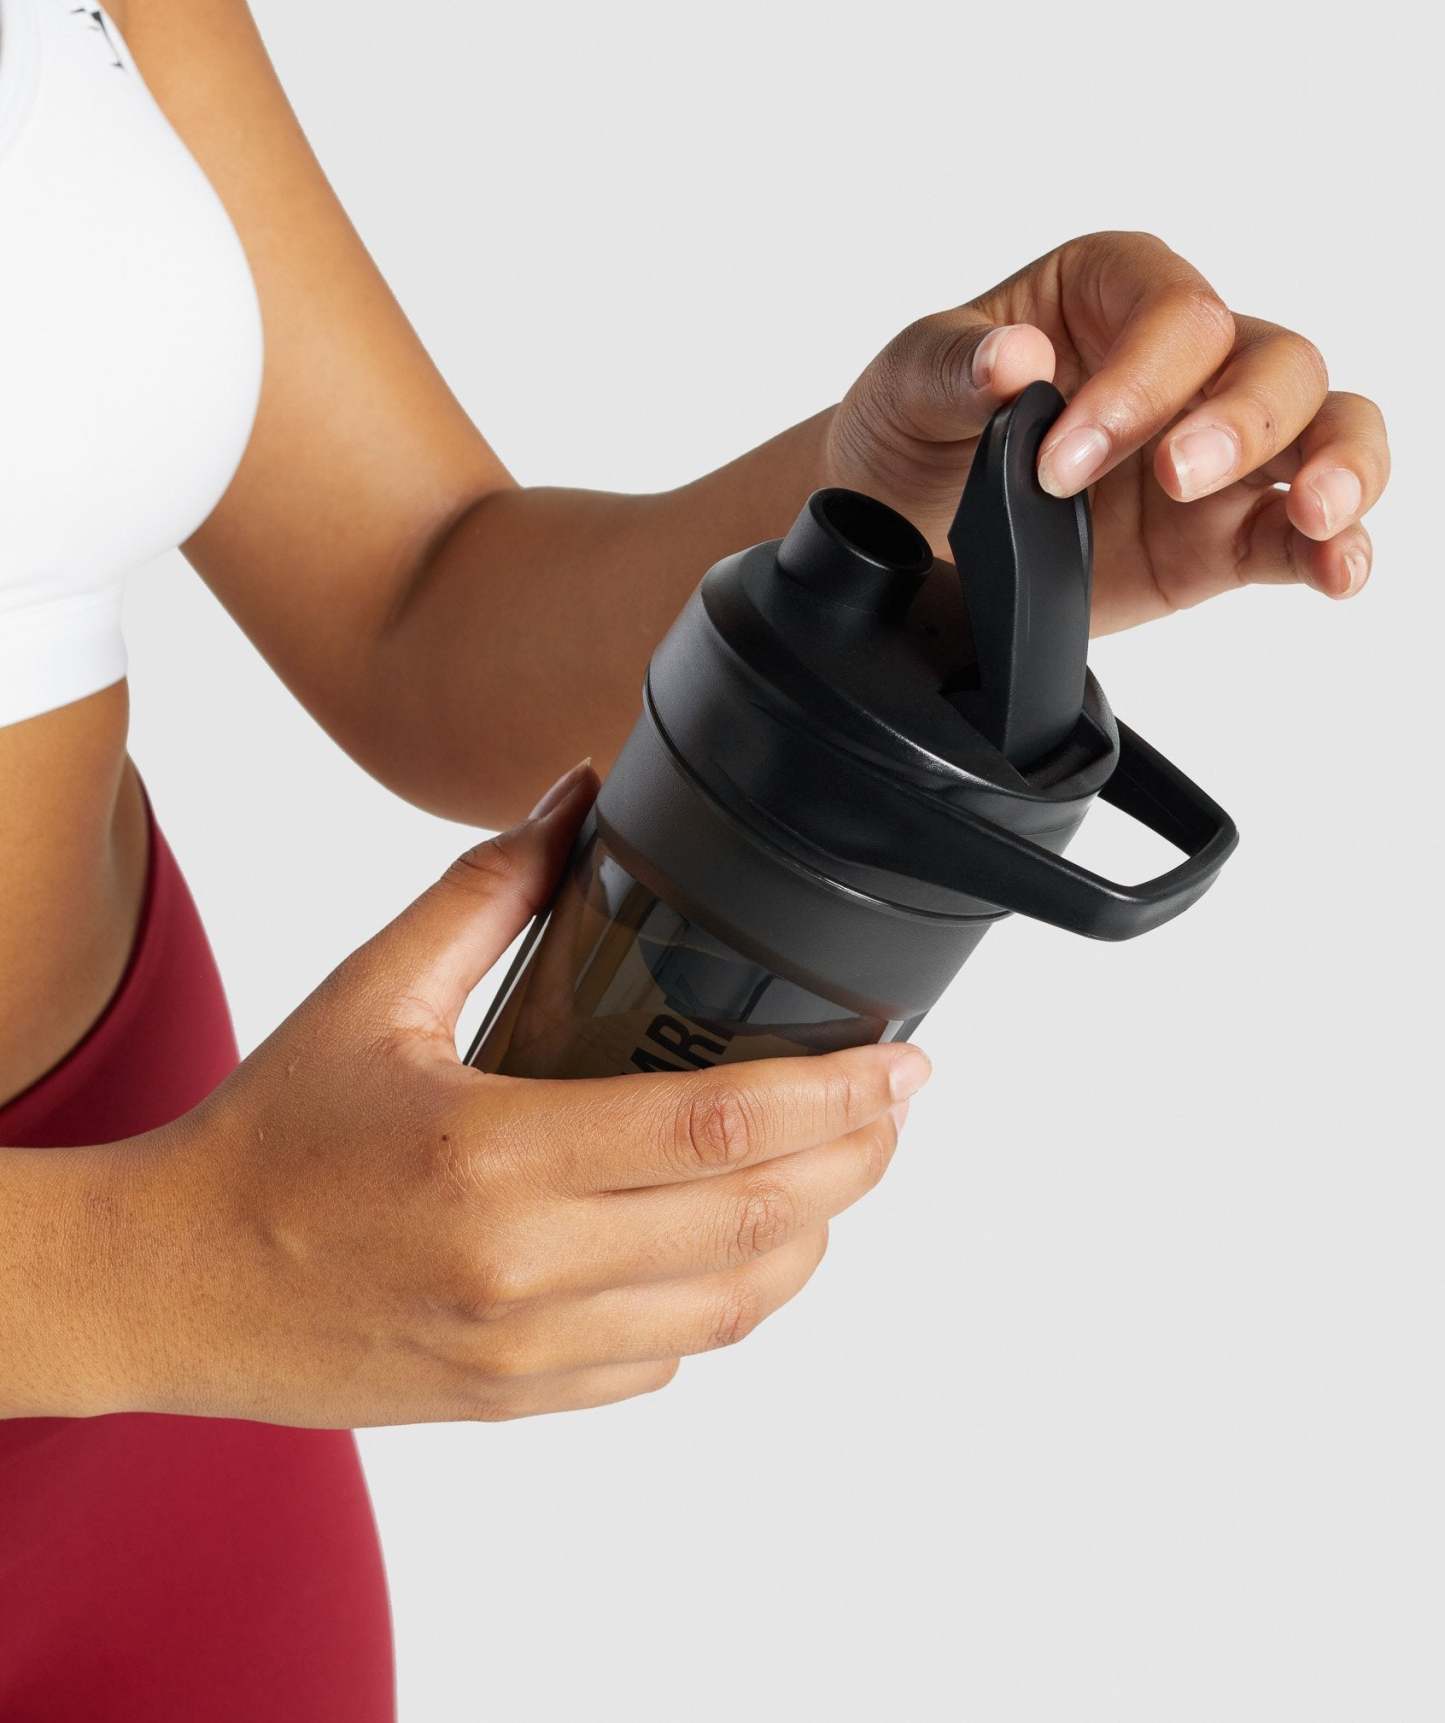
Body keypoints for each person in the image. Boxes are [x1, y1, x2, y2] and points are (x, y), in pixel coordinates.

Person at [0, 0, 1389, 1716]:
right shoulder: (197, 1265)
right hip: (169, 1273)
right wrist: (168, 1266)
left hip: (166, 1316)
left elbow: (411, 603)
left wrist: (905, 543)